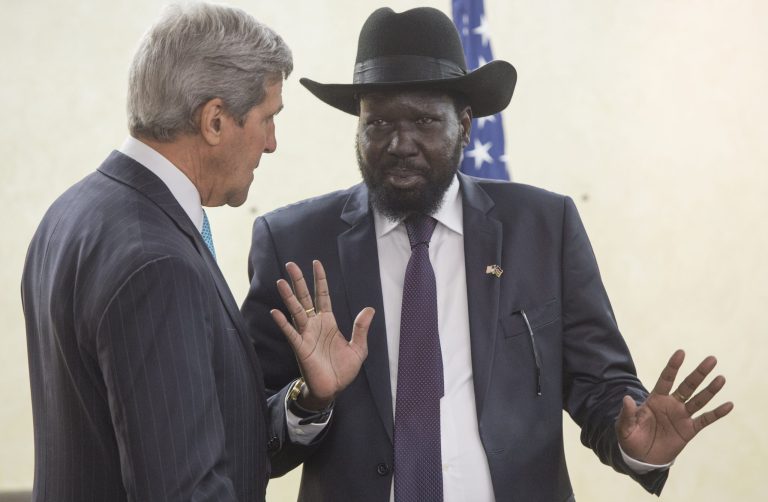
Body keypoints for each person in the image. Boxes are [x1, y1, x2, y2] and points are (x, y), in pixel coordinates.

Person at [241, 6, 733, 502]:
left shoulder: (545, 228)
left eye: (424, 121)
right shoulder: (295, 244)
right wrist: (310, 399)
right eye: (379, 123)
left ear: (466, 126)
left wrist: (638, 445)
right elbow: (247, 434)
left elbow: (600, 385)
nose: (400, 143)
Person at [21, 3, 371, 501]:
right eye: (269, 118)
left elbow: (176, 438)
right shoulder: (156, 263)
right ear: (214, 121)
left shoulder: (71, 214)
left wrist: (308, 398)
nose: (272, 144)